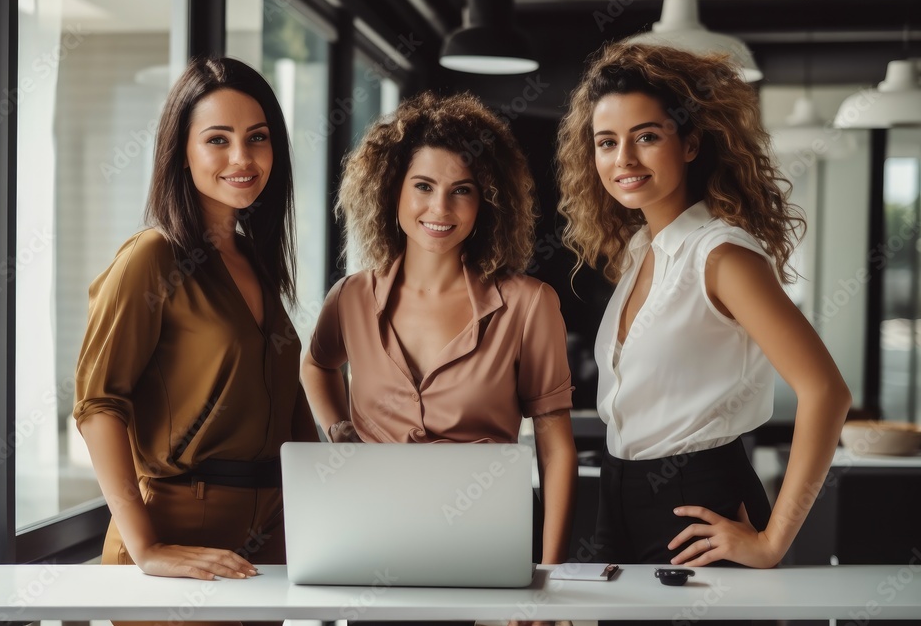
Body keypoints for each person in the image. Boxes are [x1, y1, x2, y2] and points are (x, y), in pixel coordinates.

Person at [556, 41, 851, 570]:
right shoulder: (641, 251)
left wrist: (771, 541)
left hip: (699, 503)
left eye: (646, 137)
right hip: (617, 496)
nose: (623, 159)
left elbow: (827, 391)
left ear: (690, 143)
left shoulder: (721, 256)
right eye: (606, 142)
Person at [73, 56, 318, 624]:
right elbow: (97, 405)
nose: (243, 158)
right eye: (218, 139)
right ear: (180, 150)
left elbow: (284, 401)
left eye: (257, 138)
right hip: (179, 535)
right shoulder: (151, 257)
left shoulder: (255, 260)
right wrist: (147, 548)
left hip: (267, 542)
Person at [301, 91, 578, 567]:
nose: (440, 208)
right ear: (393, 191)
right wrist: (339, 429)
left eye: (462, 190)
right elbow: (315, 365)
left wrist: (550, 577)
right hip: (372, 529)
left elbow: (556, 451)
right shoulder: (351, 298)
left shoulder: (529, 305)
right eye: (423, 186)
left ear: (487, 200)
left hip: (487, 535)